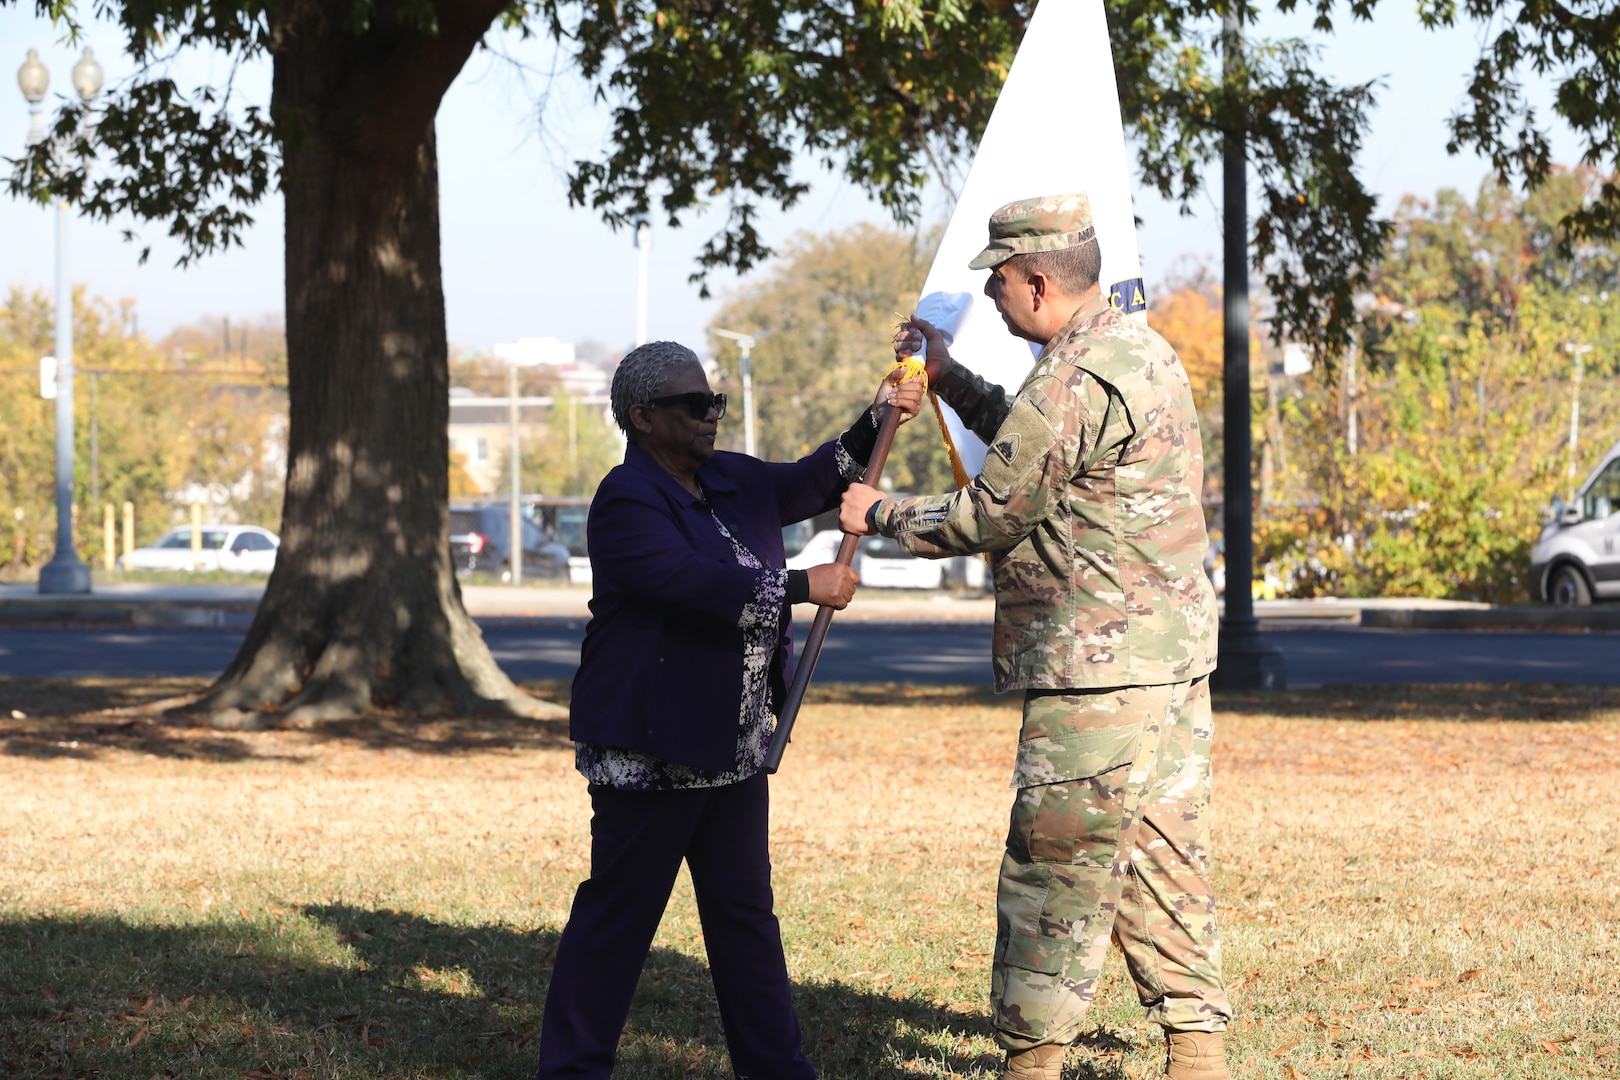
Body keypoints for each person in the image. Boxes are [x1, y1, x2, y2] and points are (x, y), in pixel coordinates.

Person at [839, 193, 1232, 1080]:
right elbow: (1036, 445)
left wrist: (883, 510)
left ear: (1039, 281)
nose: (997, 299)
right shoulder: (1136, 348)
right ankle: (1197, 1051)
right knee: (1159, 854)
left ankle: (1032, 1064)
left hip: (1096, 668)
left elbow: (994, 509)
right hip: (1165, 660)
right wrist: (949, 379)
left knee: (1055, 867)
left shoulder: (1072, 375)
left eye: (1002, 283)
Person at [535, 340, 923, 1080]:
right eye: (693, 405)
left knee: (746, 923)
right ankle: (574, 1070)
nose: (711, 415)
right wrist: (805, 589)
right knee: (617, 923)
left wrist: (880, 416)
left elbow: (818, 478)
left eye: (713, 401)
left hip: (736, 749)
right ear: (642, 417)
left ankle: (777, 1070)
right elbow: (684, 583)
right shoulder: (626, 499)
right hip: (652, 752)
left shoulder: (734, 479)